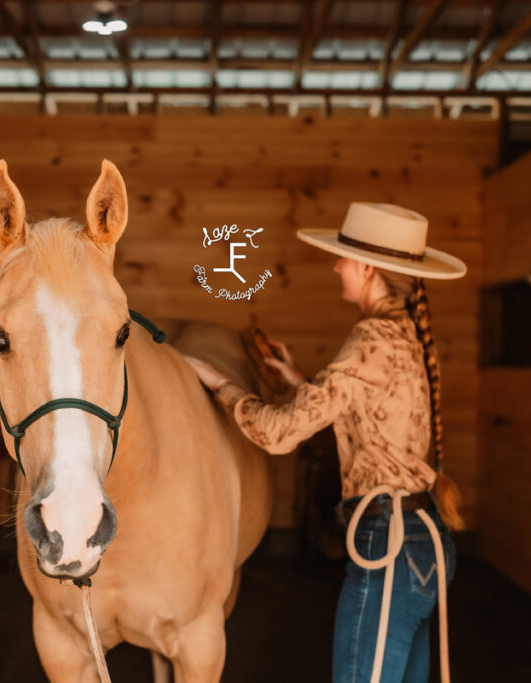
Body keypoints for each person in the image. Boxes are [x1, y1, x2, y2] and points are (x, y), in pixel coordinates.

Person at [185, 202, 466, 683]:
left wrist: (220, 385)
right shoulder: (408, 336)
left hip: (391, 545)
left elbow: (276, 435)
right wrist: (300, 379)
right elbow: (372, 420)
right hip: (423, 542)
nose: (337, 266)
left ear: (369, 268)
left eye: (344, 258)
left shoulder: (370, 339)